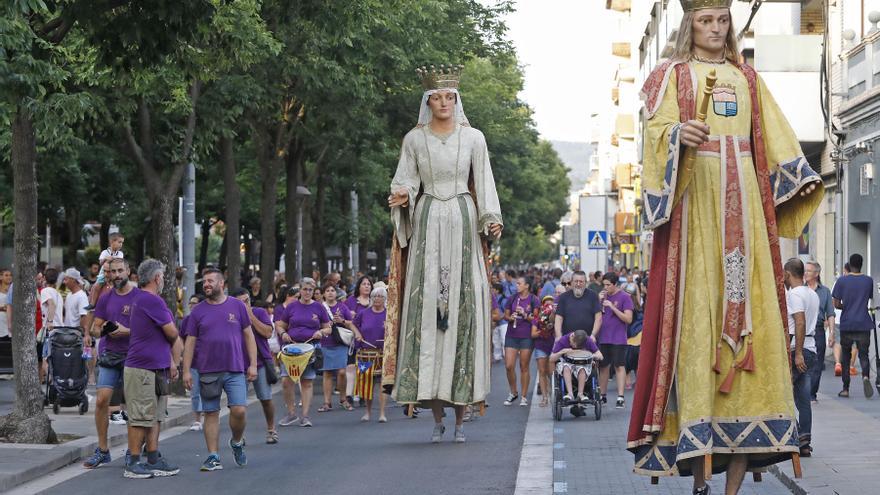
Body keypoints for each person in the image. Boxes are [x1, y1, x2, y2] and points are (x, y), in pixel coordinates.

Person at [627, 2, 823, 491]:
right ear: (688, 24)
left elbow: (777, 137)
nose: (715, 30)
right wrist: (677, 135)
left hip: (748, 215)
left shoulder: (749, 78)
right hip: (697, 207)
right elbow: (650, 135)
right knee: (697, 321)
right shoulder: (670, 75)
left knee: (755, 317)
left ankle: (733, 480)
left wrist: (800, 179)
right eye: (705, 21)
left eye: (722, 21)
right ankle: (699, 476)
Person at [385, 64, 503, 444]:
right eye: (436, 97)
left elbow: (483, 178)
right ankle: (435, 415)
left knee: (463, 305)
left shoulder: (474, 138)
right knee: (429, 311)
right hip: (429, 215)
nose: (443, 102)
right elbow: (406, 176)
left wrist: (491, 217)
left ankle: (460, 420)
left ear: (456, 99)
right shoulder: (414, 140)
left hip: (464, 217)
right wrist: (402, 194)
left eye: (449, 97)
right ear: (427, 101)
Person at [182, 270, 257, 471]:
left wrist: (252, 364)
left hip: (235, 368)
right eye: (204, 281)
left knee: (239, 410)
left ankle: (237, 441)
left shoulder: (237, 306)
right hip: (207, 370)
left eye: (210, 281)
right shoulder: (197, 311)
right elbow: (190, 342)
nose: (206, 284)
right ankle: (213, 456)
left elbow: (249, 336)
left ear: (221, 283)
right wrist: (186, 370)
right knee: (211, 413)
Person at [123, 259, 182, 479]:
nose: (165, 280)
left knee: (155, 416)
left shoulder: (142, 299)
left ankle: (153, 458)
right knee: (140, 416)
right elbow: (172, 333)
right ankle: (134, 462)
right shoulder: (151, 300)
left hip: (155, 367)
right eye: (163, 276)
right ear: (157, 278)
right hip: (143, 368)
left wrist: (170, 361)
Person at [83, 258, 138, 469]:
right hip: (109, 355)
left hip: (134, 356)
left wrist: (126, 331)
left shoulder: (139, 297)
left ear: (128, 271)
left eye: (119, 271)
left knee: (133, 405)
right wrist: (103, 328)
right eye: (112, 272)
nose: (116, 275)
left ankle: (134, 450)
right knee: (101, 401)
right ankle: (103, 450)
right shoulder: (106, 297)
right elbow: (95, 328)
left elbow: (148, 330)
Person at [274, 277, 330, 427]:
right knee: (286, 380)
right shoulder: (291, 307)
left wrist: (321, 332)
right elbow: (280, 325)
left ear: (314, 291)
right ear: (300, 290)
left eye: (310, 290)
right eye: (305, 289)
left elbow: (328, 328)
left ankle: (304, 416)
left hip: (310, 348)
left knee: (306, 382)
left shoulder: (319, 307)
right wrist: (282, 333)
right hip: (291, 348)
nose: (307, 292)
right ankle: (291, 413)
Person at [231, 288, 278, 444]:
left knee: (265, 398)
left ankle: (271, 429)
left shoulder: (259, 312)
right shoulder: (231, 316)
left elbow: (267, 333)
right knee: (238, 405)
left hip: (260, 363)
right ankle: (239, 435)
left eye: (247, 300)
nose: (245, 304)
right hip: (237, 364)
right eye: (241, 302)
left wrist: (250, 316)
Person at [784, 258, 819, 458]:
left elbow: (799, 321)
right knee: (804, 399)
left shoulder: (794, 294)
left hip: (799, 349)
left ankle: (797, 437)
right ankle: (804, 442)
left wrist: (797, 353)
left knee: (783, 394)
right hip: (811, 348)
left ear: (789, 274)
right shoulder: (811, 293)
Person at [832, 253, 876, 398]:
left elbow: (836, 303)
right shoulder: (868, 281)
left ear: (849, 264)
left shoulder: (842, 281)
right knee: (864, 354)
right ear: (862, 264)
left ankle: (845, 389)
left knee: (846, 356)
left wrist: (845, 307)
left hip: (847, 324)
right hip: (864, 322)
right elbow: (868, 298)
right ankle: (865, 377)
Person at [318, 284, 361, 413]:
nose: (330, 293)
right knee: (327, 372)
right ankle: (327, 402)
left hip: (341, 343)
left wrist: (341, 321)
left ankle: (343, 399)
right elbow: (315, 322)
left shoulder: (342, 307)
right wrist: (326, 325)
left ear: (336, 294)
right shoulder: (320, 307)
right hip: (325, 342)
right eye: (327, 290)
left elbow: (351, 322)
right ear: (323, 294)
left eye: (332, 290)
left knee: (342, 372)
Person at [351, 286, 388, 422]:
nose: (378, 299)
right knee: (367, 383)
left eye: (381, 297)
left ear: (385, 299)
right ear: (372, 298)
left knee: (383, 384)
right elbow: (353, 324)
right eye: (375, 296)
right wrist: (358, 334)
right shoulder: (363, 313)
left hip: (382, 353)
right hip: (365, 353)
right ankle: (367, 412)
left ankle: (382, 413)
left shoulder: (389, 314)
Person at [597, 272, 633, 409]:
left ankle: (620, 396)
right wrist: (598, 301)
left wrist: (612, 307)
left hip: (618, 338)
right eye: (604, 285)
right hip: (604, 337)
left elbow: (628, 319)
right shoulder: (602, 296)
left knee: (619, 366)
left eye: (608, 285)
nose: (605, 288)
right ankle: (602, 395)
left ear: (615, 284)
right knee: (603, 367)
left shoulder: (625, 297)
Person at [502, 277, 539, 407]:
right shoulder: (512, 298)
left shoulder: (534, 300)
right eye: (516, 283)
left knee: (524, 366)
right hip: (511, 335)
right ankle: (513, 392)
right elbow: (504, 315)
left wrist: (524, 314)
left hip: (526, 336)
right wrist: (510, 317)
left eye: (519, 283)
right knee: (509, 365)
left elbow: (536, 319)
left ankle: (523, 396)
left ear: (527, 286)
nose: (516, 285)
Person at [804, 261, 834, 401]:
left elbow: (830, 313)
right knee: (803, 361)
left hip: (818, 330)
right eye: (805, 270)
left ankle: (811, 393)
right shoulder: (799, 290)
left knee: (817, 363)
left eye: (809, 271)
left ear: (816, 274)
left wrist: (832, 333)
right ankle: (803, 392)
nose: (805, 273)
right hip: (802, 330)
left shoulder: (825, 291)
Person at [550, 330, 603, 403]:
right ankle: (570, 394)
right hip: (567, 363)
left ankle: (580, 394)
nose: (574, 346)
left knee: (582, 369)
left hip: (582, 364)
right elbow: (551, 358)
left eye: (577, 346)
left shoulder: (587, 340)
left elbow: (600, 356)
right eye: (574, 344)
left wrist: (590, 355)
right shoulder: (563, 340)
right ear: (572, 336)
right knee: (566, 367)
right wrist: (562, 352)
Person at [180, 294, 206, 431]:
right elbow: (181, 339)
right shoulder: (187, 320)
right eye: (190, 303)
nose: (191, 305)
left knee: (209, 391)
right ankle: (197, 420)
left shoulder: (207, 318)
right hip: (193, 362)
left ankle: (211, 415)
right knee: (195, 392)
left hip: (209, 362)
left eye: (194, 303)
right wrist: (182, 355)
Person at [554, 271, 602, 340]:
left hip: (588, 340)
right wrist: (558, 336)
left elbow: (598, 318)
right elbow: (558, 318)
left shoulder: (593, 296)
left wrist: (593, 335)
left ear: (585, 283)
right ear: (572, 282)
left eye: (581, 281)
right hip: (568, 340)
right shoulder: (563, 297)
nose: (578, 284)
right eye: (576, 281)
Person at [88, 232, 125, 308]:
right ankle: (92, 303)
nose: (121, 244)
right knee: (96, 286)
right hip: (103, 274)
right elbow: (101, 263)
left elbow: (120, 262)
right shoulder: (105, 252)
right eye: (119, 242)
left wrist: (114, 259)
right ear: (112, 242)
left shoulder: (120, 253)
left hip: (115, 275)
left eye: (122, 242)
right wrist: (105, 259)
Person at [533, 296, 557, 407]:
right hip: (540, 345)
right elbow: (532, 334)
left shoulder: (557, 317)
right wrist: (542, 331)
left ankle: (554, 395)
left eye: (551, 304)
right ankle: (544, 397)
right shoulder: (537, 318)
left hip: (553, 345)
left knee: (551, 372)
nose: (548, 306)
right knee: (542, 371)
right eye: (546, 304)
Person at [0, 268, 11, 341]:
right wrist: (3, 308)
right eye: (6, 275)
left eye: (10, 275)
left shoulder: (13, 289)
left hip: (11, 321)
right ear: (0, 277)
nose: (9, 277)